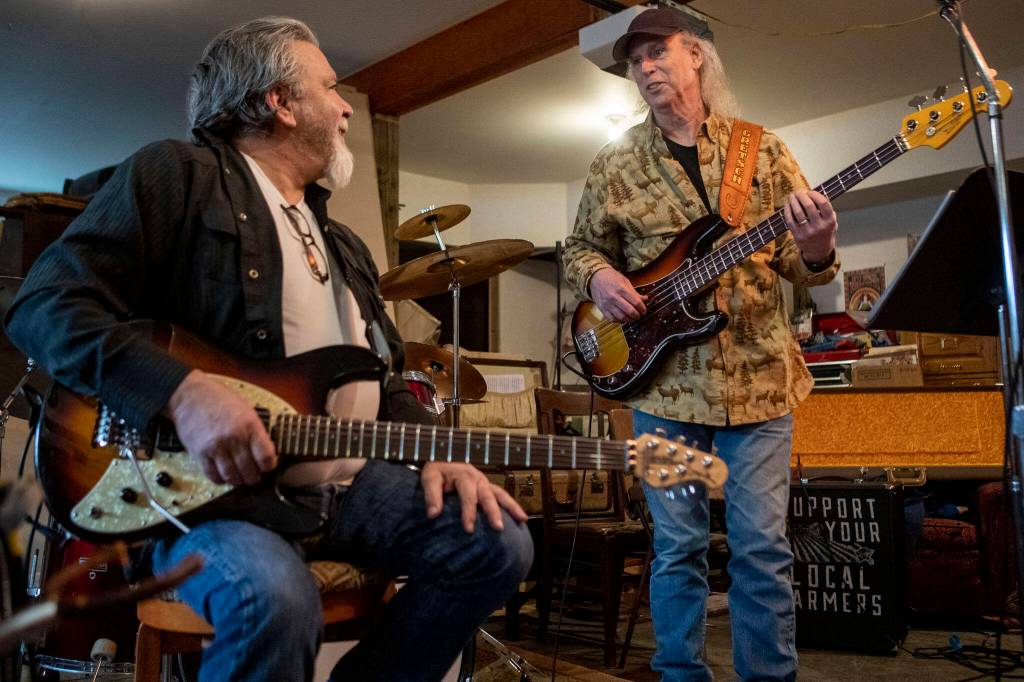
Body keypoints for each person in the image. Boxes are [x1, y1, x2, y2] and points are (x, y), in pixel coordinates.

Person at [6, 16, 532, 682]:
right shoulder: (177, 175)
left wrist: (439, 452)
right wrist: (182, 391)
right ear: (278, 102)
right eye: (330, 88)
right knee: (273, 599)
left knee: (496, 543)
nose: (346, 107)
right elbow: (42, 305)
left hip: (344, 487)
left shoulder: (343, 244)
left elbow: (387, 375)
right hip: (204, 499)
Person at [562, 8, 839, 681]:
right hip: (663, 386)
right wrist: (600, 279)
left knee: (761, 550)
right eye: (636, 62)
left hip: (759, 384)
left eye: (657, 53)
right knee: (678, 546)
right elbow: (578, 247)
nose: (646, 68)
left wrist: (818, 244)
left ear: (696, 56)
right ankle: (680, 673)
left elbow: (802, 268)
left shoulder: (762, 150)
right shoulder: (615, 162)